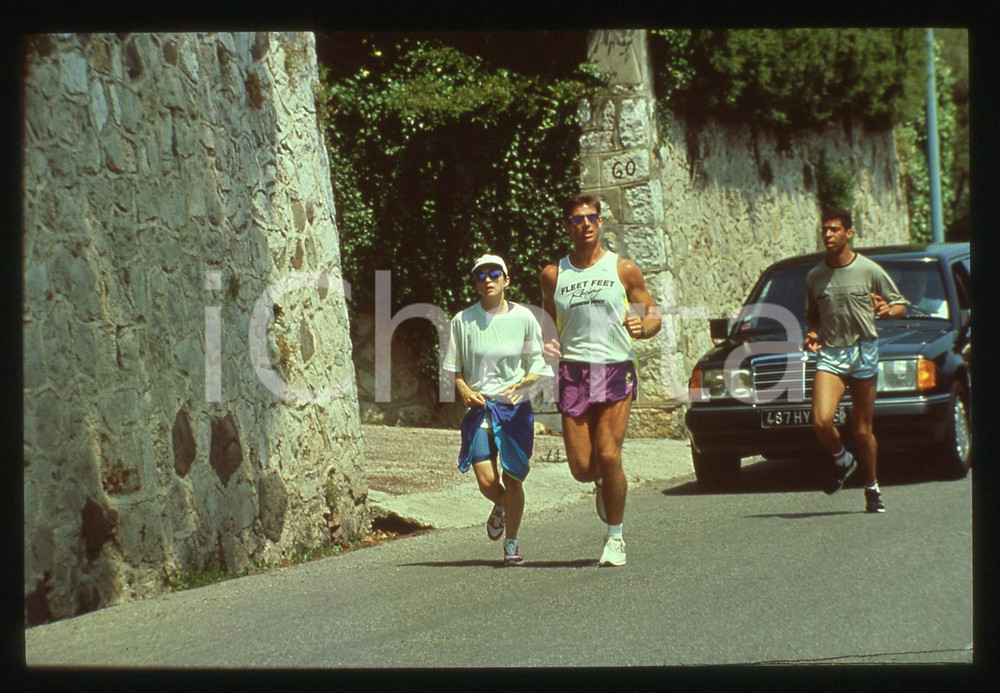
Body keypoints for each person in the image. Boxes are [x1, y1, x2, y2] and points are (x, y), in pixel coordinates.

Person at [540, 194, 661, 567]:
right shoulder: (553, 274)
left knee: (609, 453)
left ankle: (615, 537)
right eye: (578, 219)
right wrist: (548, 341)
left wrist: (644, 327)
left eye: (592, 217)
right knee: (582, 468)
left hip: (614, 367)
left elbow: (652, 313)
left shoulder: (623, 269)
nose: (586, 225)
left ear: (601, 222)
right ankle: (601, 483)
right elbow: (547, 320)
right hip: (573, 372)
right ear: (568, 226)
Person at [444, 253, 551, 566]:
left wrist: (524, 387)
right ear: (476, 284)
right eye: (481, 276)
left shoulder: (524, 318)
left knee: (513, 477)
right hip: (480, 410)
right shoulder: (462, 321)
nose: (488, 280)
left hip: (514, 410)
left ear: (507, 280)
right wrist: (464, 390)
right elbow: (454, 368)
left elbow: (538, 365)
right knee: (487, 480)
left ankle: (512, 543)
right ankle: (503, 505)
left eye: (494, 274)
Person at [805, 207, 906, 513]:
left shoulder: (869, 270)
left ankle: (872, 488)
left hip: (863, 351)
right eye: (824, 229)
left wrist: (887, 311)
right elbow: (812, 314)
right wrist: (812, 332)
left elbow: (900, 305)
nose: (828, 234)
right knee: (821, 420)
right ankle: (843, 459)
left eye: (834, 229)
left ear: (848, 233)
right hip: (832, 353)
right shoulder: (815, 276)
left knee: (862, 430)